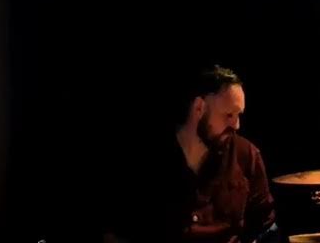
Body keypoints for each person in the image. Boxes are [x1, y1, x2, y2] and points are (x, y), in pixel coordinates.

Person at [103, 65, 278, 243]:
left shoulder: (246, 155)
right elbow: (115, 234)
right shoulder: (145, 159)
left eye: (238, 115)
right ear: (199, 108)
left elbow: (265, 228)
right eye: (229, 115)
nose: (236, 125)